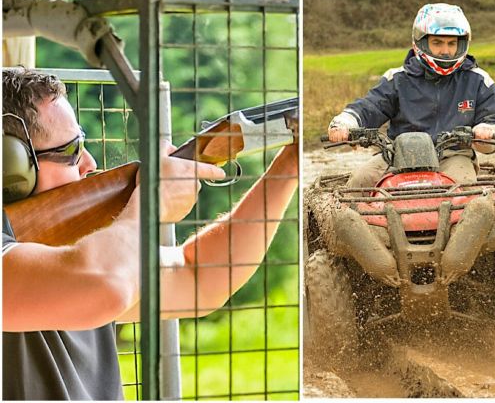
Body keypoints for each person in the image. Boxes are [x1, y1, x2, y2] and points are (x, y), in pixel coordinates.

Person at [2, 68, 299, 400]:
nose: (89, 162)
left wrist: (287, 168)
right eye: (71, 151)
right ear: (11, 168)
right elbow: (104, 286)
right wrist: (150, 203)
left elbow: (201, 278)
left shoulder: (88, 256)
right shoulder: (91, 270)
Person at [328, 3, 495, 186]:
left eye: (452, 43)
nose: (445, 51)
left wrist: (486, 130)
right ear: (420, 43)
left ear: (462, 44)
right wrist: (346, 122)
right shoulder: (397, 79)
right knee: (359, 181)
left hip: (453, 155)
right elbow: (370, 106)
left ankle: (467, 213)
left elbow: (494, 124)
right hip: (398, 155)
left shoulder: (478, 81)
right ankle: (355, 216)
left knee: (464, 187)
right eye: (437, 43)